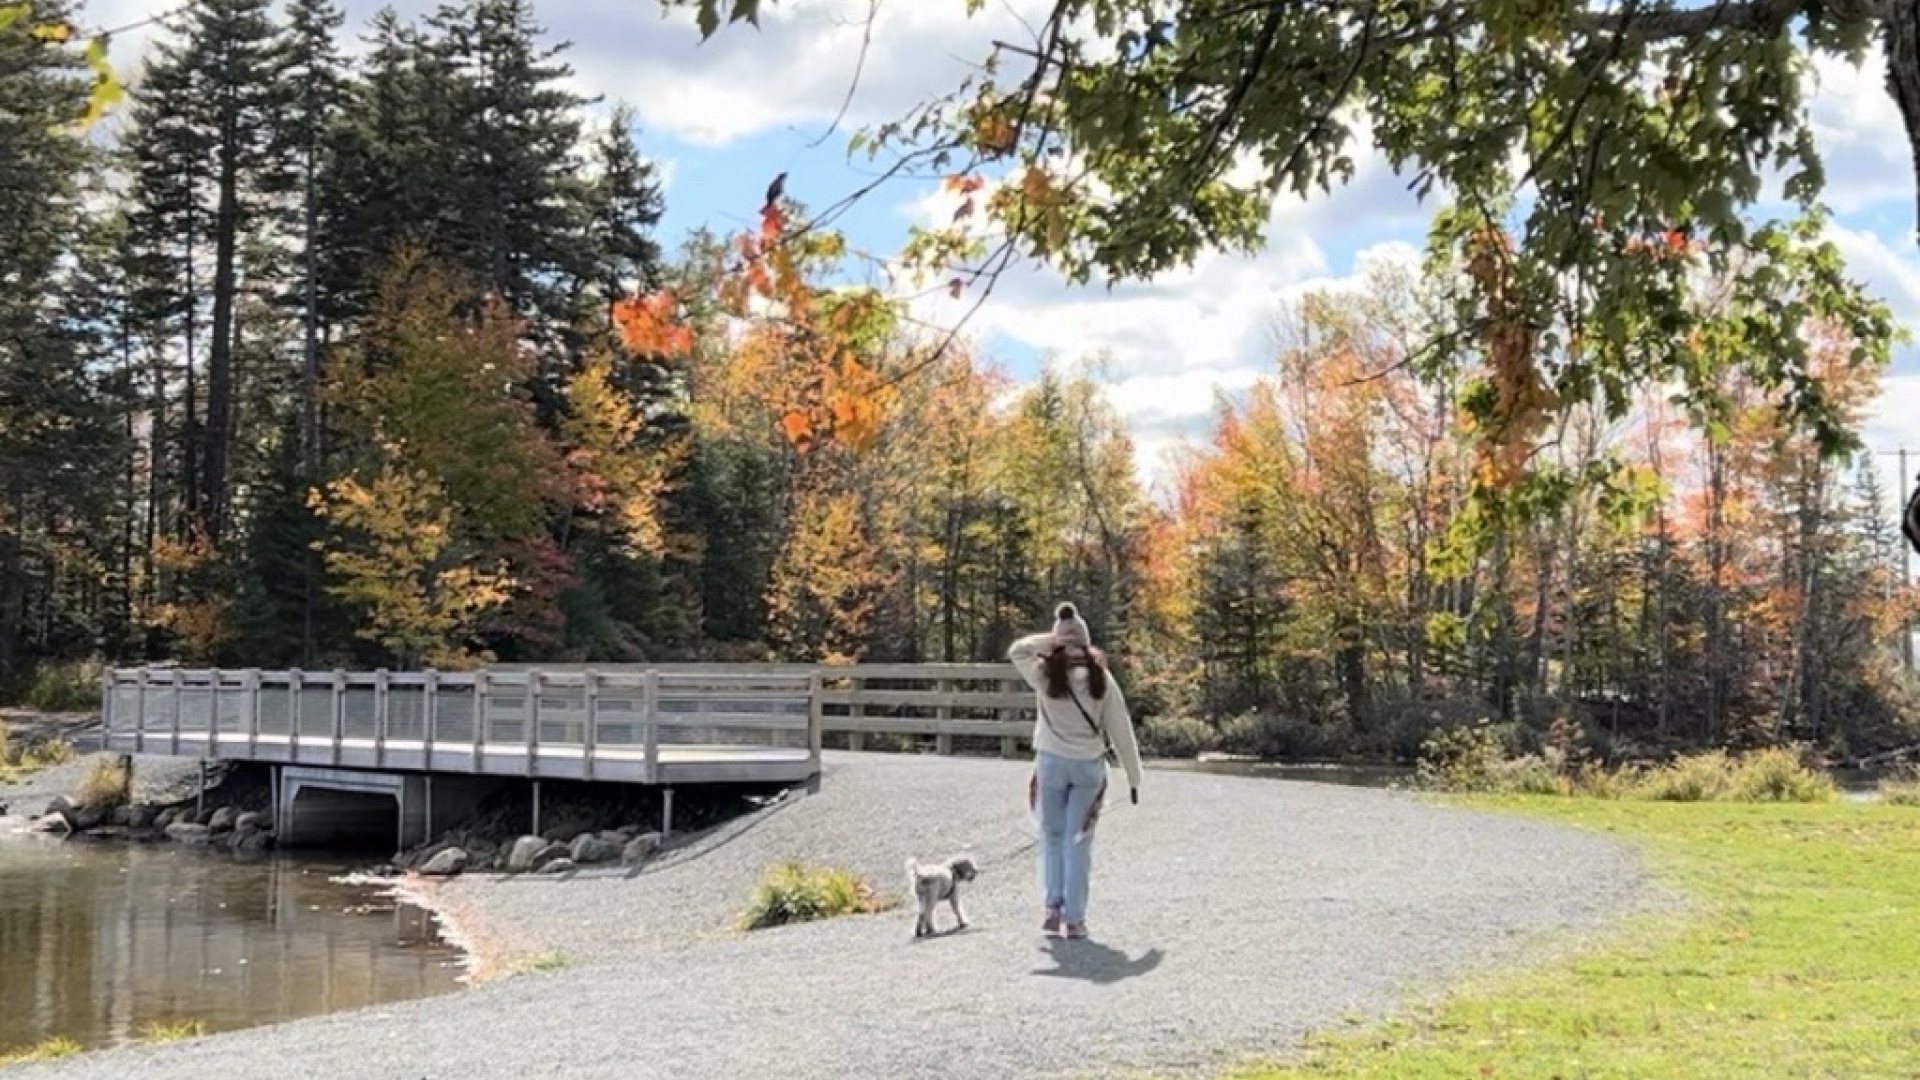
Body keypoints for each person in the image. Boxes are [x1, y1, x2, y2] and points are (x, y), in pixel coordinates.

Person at [1007, 601, 1143, 939]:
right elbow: (1120, 728)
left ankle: (1052, 907)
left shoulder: (1044, 674)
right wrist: (1134, 776)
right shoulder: (1102, 679)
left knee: (1050, 836)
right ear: (1086, 641)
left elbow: (1017, 650)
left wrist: (1055, 641)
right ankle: (1075, 919)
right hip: (1088, 767)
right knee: (1078, 840)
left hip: (1051, 762)